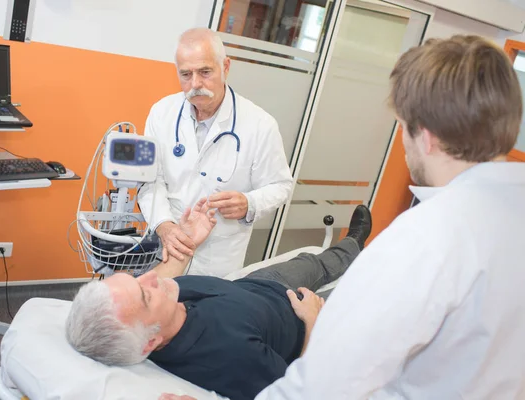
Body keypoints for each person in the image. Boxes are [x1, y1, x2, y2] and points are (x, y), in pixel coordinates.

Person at [223, 35, 525, 399]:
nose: (403, 139)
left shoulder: (426, 238)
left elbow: (322, 388)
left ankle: (351, 243)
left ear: (426, 137)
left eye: (402, 125)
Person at [65, 201, 372, 400]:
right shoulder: (230, 357)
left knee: (315, 261)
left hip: (256, 288)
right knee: (365, 292)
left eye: (135, 279)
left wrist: (189, 241)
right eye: (145, 293)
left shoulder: (158, 311)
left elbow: (160, 278)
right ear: (149, 343)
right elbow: (296, 390)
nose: (151, 278)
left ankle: (353, 242)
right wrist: (313, 325)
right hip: (296, 316)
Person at [137, 27, 293, 278]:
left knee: (209, 313)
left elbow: (280, 186)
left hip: (221, 254)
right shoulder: (161, 113)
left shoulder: (260, 124)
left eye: (205, 72)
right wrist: (164, 226)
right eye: (185, 74)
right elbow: (149, 181)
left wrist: (250, 203)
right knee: (161, 310)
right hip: (170, 244)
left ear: (226, 66)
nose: (195, 84)